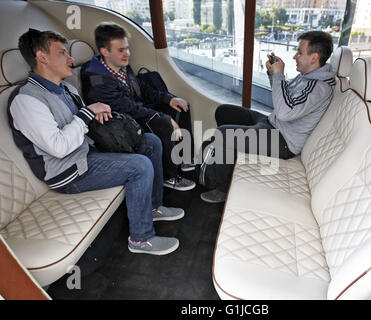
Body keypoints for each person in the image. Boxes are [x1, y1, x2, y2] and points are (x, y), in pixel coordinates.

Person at [8, 28, 183, 255]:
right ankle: (141, 239)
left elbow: (84, 123)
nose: (70, 59)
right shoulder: (26, 100)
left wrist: (99, 115)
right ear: (42, 58)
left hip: (87, 152)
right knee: (140, 166)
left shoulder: (67, 89)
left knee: (150, 141)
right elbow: (58, 147)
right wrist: (86, 114)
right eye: (62, 53)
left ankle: (153, 207)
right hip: (68, 172)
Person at [200, 31, 336, 203]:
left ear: (314, 58)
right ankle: (229, 159)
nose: (295, 56)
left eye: (300, 52)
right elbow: (284, 98)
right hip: (271, 124)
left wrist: (279, 75)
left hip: (283, 141)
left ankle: (223, 188)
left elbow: (285, 112)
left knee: (223, 134)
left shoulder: (319, 87)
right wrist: (273, 74)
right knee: (224, 111)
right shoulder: (307, 77)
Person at [81, 22, 195, 192]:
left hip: (137, 109)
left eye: (127, 48)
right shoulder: (97, 81)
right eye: (121, 50)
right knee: (164, 123)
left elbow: (142, 87)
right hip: (123, 122)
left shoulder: (121, 66)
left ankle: (183, 157)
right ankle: (170, 177)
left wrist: (168, 98)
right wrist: (163, 118)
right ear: (105, 51)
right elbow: (127, 108)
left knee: (181, 106)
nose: (127, 54)